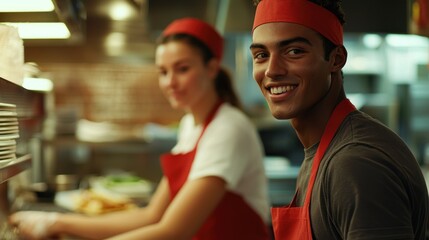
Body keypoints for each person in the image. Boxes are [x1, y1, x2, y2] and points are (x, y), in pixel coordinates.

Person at [9, 17, 270, 240]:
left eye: (182, 69)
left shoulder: (228, 128)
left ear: (211, 68)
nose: (170, 82)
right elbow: (152, 215)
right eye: (163, 71)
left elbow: (173, 230)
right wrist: (57, 222)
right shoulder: (191, 124)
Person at [249, 0, 429, 239]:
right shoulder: (324, 149)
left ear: (336, 59)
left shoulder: (354, 163)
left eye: (294, 51)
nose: (272, 70)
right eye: (261, 55)